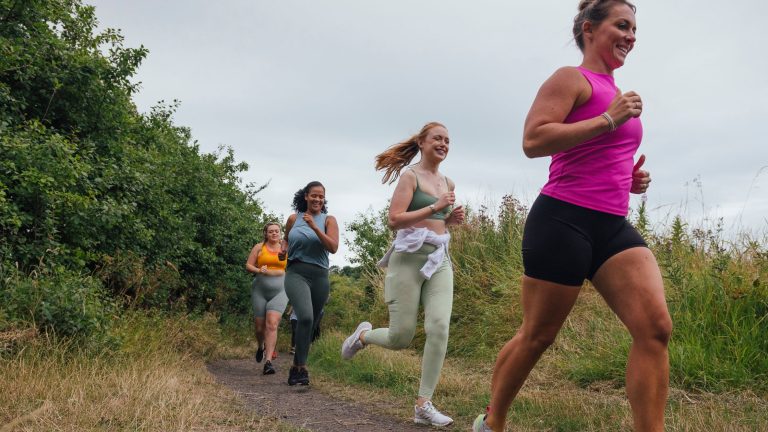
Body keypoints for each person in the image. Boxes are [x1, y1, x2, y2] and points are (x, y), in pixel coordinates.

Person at [472, 2, 671, 431]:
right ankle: (493, 421)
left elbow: (599, 150)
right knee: (538, 335)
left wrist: (627, 179)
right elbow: (534, 139)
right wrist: (607, 119)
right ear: (589, 28)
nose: (631, 36)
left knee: (655, 328)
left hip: (612, 223)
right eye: (622, 25)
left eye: (635, 29)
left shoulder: (616, 93)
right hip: (563, 219)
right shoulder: (570, 79)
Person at [341, 122, 465, 427]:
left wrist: (452, 220)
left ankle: (424, 404)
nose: (444, 143)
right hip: (407, 261)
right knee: (401, 337)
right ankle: (363, 336)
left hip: (439, 260)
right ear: (422, 143)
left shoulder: (448, 182)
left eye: (448, 140)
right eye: (438, 138)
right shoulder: (410, 177)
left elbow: (439, 222)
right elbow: (394, 220)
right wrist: (435, 207)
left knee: (439, 327)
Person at [283, 181, 339, 386]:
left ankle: (296, 367)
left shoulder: (328, 220)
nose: (317, 199)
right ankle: (303, 367)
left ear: (324, 200)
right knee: (305, 317)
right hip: (296, 272)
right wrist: (283, 249)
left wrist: (315, 227)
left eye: (321, 196)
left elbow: (333, 247)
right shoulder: (293, 219)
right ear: (306, 196)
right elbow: (286, 239)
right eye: (313, 195)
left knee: (313, 322)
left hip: (320, 276)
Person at [245, 222, 289, 375]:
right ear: (266, 233)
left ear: (280, 233)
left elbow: (293, 267)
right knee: (259, 327)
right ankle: (260, 346)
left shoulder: (285, 248)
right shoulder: (259, 247)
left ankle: (268, 361)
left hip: (281, 289)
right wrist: (258, 269)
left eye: (277, 231)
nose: (274, 234)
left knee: (272, 324)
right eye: (271, 231)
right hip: (260, 290)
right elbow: (248, 265)